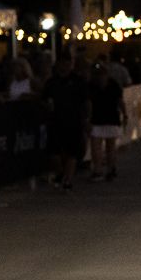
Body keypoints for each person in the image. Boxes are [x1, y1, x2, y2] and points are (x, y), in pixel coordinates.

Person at [42, 53, 89, 191]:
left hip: (74, 121)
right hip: (55, 121)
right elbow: (45, 99)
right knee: (54, 153)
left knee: (72, 152)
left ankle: (68, 180)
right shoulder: (51, 82)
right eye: (62, 63)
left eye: (67, 63)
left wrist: (86, 119)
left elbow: (86, 101)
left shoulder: (78, 81)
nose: (65, 66)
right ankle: (61, 173)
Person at [88, 63, 126, 180]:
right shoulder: (91, 86)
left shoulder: (113, 85)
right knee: (97, 147)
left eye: (102, 74)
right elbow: (88, 103)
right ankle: (99, 169)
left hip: (110, 119)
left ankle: (110, 168)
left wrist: (125, 114)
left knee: (109, 146)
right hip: (97, 119)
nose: (100, 76)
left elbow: (120, 101)